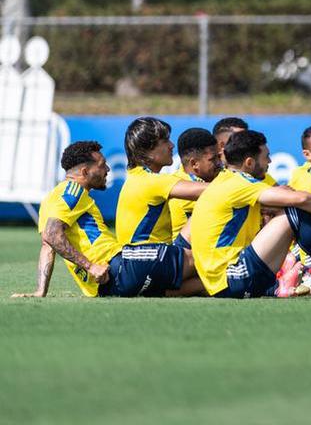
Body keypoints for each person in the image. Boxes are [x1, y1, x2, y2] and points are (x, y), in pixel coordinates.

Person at [189, 129, 311, 299]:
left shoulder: (229, 180)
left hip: (227, 280)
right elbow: (301, 200)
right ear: (249, 163)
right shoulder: (238, 184)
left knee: (293, 208)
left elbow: (288, 195)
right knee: (297, 210)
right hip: (232, 279)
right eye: (266, 156)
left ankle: (289, 280)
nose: (270, 161)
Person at [15, 142, 200, 298]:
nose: (108, 169)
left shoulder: (50, 199)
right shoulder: (73, 191)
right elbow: (51, 235)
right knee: (200, 260)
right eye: (102, 165)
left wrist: (41, 290)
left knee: (189, 284)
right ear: (85, 172)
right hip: (119, 263)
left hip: (106, 287)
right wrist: (91, 266)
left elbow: (47, 244)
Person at [115, 117, 208, 247]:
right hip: (147, 259)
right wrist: (239, 182)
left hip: (136, 258)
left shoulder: (137, 177)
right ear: (148, 151)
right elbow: (211, 191)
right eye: (165, 141)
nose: (172, 145)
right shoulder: (151, 181)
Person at [168, 128, 225, 242]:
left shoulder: (216, 176)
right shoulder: (182, 192)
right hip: (186, 256)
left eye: (219, 157)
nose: (220, 163)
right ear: (194, 164)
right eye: (213, 159)